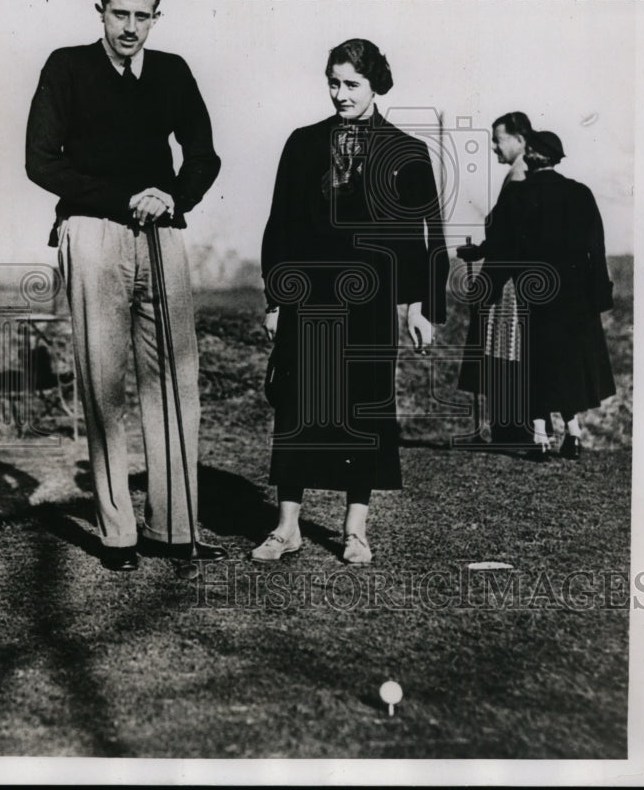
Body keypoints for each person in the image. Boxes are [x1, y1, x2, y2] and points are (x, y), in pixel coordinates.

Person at [26, 0, 226, 570]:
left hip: (162, 231)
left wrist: (170, 197)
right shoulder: (66, 67)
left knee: (175, 379)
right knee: (103, 382)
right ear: (101, 12)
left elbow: (203, 154)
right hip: (92, 232)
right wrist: (121, 200)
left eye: (143, 16)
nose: (131, 27)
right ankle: (118, 535)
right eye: (120, 14)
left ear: (155, 18)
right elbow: (41, 162)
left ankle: (175, 528)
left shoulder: (171, 72)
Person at [254, 38, 449, 564]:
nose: (341, 94)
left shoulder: (407, 150)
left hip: (371, 302)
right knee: (297, 408)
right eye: (334, 83)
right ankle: (286, 527)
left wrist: (419, 306)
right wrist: (276, 299)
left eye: (352, 84)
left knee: (363, 409)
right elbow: (281, 226)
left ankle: (354, 531)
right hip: (308, 298)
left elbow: (421, 237)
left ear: (375, 85)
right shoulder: (301, 143)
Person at [482, 129, 616, 459]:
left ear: (531, 155)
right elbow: (595, 248)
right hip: (575, 296)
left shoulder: (518, 195)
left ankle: (540, 436)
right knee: (567, 363)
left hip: (534, 292)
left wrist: (488, 283)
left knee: (535, 362)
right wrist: (599, 294)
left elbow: (502, 248)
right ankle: (573, 433)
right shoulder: (580, 193)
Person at [457, 111, 535, 450]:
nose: (493, 147)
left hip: (509, 280)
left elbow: (509, 236)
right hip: (510, 276)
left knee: (506, 348)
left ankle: (513, 432)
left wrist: (486, 269)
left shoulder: (520, 177)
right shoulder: (519, 175)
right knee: (505, 348)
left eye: (497, 139)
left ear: (519, 140)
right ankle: (509, 430)